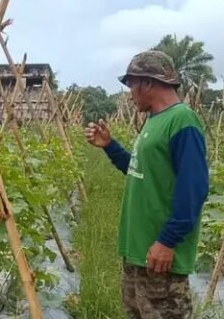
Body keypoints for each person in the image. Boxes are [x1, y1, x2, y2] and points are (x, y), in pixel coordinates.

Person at [85, 50, 209, 319]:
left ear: (148, 82)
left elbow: (194, 188)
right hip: (139, 250)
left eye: (131, 85)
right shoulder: (154, 120)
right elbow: (139, 170)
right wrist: (110, 146)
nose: (130, 94)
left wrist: (167, 241)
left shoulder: (182, 121)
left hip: (159, 254)